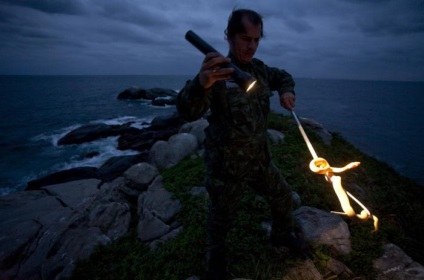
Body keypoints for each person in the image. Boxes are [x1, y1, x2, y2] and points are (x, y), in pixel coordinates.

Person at [177, 8, 305, 280]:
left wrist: (286, 91)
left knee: (282, 196)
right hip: (227, 168)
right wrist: (202, 84)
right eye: (246, 39)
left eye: (257, 40)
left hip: (259, 160)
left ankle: (282, 236)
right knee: (221, 219)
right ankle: (215, 263)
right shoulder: (216, 74)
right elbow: (188, 111)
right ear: (229, 36)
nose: (252, 46)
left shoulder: (259, 70)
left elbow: (283, 76)